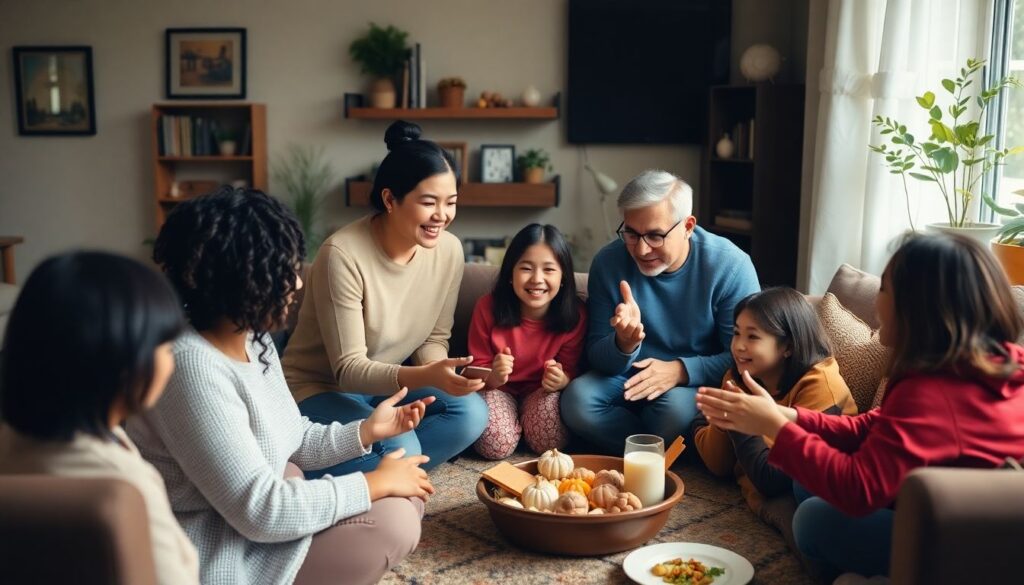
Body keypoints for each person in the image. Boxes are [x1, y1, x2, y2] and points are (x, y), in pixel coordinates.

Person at [126, 188, 434, 585]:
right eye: (284, 268)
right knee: (395, 521)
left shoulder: (253, 338)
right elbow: (260, 510)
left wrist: (368, 430)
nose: (297, 283)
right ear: (243, 277)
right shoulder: (189, 366)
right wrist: (374, 482)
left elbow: (292, 435)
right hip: (218, 549)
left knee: (405, 496)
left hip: (252, 524)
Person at [695, 233, 1024, 580]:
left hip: (958, 545)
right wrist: (787, 416)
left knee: (810, 519)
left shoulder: (932, 392)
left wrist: (774, 428)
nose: (877, 302)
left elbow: (859, 489)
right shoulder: (987, 362)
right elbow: (875, 425)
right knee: (803, 484)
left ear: (915, 307)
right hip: (948, 514)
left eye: (883, 289)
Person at [282, 120, 488, 476]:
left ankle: (390, 466)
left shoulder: (449, 251)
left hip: (384, 385)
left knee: (471, 415)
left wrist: (445, 374)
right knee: (403, 444)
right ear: (390, 199)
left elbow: (433, 338)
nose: (442, 216)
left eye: (451, 202)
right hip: (321, 387)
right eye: (429, 202)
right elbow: (347, 370)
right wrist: (425, 375)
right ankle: (365, 463)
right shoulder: (342, 254)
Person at [0, 251, 199, 585]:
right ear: (122, 363)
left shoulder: (11, 441)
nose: (172, 362)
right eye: (165, 348)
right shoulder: (123, 483)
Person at [560, 169, 760, 452]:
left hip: (689, 384)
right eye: (631, 233)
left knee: (671, 412)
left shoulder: (730, 266)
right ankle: (658, 451)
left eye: (655, 235)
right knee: (577, 400)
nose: (641, 249)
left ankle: (642, 448)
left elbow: (744, 358)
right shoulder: (608, 262)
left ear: (688, 226)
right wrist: (624, 344)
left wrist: (681, 370)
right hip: (625, 376)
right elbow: (596, 355)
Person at [691, 287, 856, 518]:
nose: (738, 346)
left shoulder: (821, 386)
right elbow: (718, 465)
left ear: (787, 346)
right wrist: (721, 416)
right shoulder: (741, 377)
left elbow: (773, 480)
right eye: (736, 333)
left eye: (753, 336)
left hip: (815, 494)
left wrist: (739, 418)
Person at [468, 224, 587, 459]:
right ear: (511, 274)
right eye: (526, 268)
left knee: (550, 443)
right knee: (495, 446)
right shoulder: (487, 307)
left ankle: (525, 426)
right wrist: (493, 374)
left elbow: (572, 368)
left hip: (541, 392)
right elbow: (475, 370)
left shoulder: (576, 314)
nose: (537, 279)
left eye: (549, 269)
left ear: (564, 276)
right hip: (497, 391)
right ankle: (515, 428)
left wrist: (562, 379)